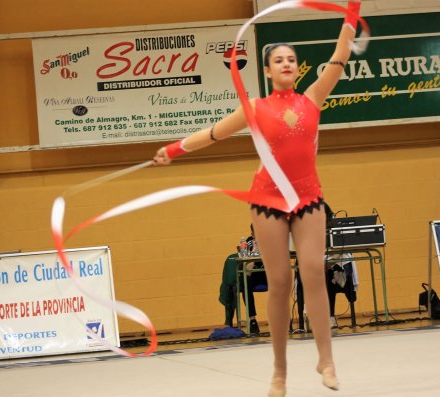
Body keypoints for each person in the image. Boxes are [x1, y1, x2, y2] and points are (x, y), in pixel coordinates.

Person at [153, 2, 361, 395]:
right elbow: (212, 133)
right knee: (280, 282)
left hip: (307, 197)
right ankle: (279, 372)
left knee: (314, 272)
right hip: (267, 198)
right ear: (266, 70)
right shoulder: (254, 109)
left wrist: (351, 12)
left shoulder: (313, 98)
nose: (285, 64)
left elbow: (340, 53)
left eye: (291, 60)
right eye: (278, 60)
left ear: (298, 69)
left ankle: (326, 358)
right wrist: (174, 150)